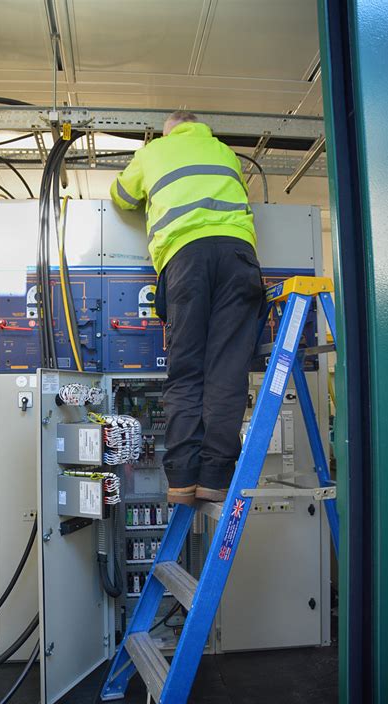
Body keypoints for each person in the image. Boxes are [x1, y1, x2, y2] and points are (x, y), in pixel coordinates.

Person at [110, 110, 263, 505]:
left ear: (168, 131)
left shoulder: (154, 152)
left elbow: (121, 196)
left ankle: (180, 479)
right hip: (238, 257)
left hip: (186, 259)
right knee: (227, 370)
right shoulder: (226, 153)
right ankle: (214, 477)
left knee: (186, 370)